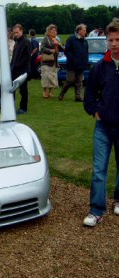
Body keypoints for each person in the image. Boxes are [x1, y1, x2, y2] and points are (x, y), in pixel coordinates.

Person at [83, 18, 119, 227]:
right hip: (103, 126)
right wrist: (94, 110)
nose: (114, 44)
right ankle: (96, 210)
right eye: (110, 40)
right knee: (99, 169)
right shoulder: (100, 67)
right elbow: (89, 94)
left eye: (117, 40)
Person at [58, 24, 88, 102]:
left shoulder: (85, 41)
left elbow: (86, 53)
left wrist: (85, 62)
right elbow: (67, 51)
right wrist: (73, 59)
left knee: (79, 81)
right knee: (70, 80)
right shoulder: (71, 39)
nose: (85, 32)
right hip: (72, 65)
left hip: (81, 65)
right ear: (79, 31)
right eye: (84, 30)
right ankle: (62, 93)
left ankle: (78, 97)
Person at [10, 23, 31, 115]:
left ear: (21, 31)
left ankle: (23, 108)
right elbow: (15, 56)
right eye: (14, 33)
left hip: (23, 70)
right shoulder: (17, 41)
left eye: (17, 32)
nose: (15, 34)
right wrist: (12, 66)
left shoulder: (26, 41)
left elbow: (26, 57)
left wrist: (17, 65)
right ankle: (11, 106)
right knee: (12, 89)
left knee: (23, 90)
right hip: (15, 69)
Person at [40, 24, 64, 98]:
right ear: (49, 31)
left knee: (52, 77)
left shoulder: (56, 39)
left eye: (56, 30)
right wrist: (51, 50)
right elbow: (42, 48)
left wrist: (58, 44)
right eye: (53, 30)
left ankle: (50, 92)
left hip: (54, 61)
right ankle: (44, 92)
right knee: (46, 76)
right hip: (46, 61)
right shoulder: (46, 39)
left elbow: (62, 49)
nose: (55, 32)